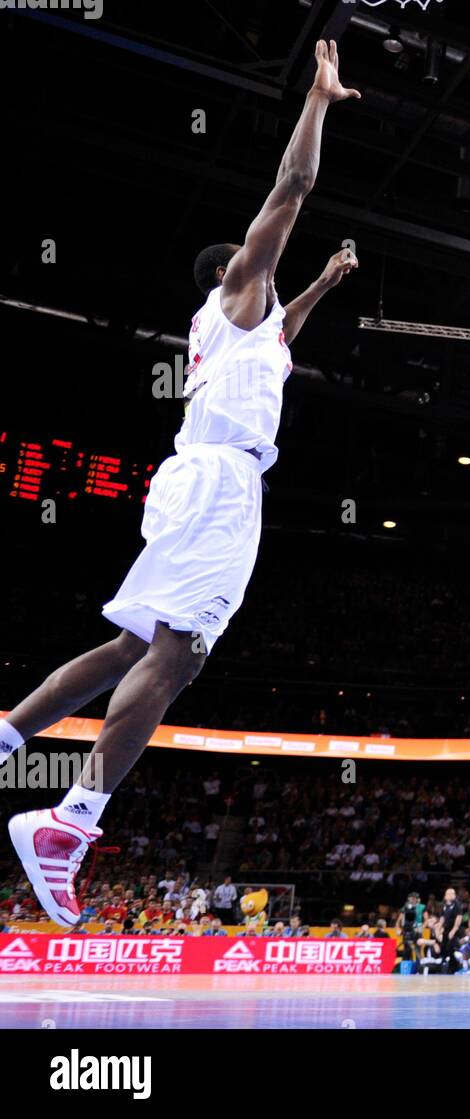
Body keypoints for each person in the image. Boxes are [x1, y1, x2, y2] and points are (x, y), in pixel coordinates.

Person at [2, 41, 361, 926]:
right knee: (178, 655)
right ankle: (68, 820)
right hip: (221, 486)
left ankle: (7, 735)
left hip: (192, 476)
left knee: (130, 647)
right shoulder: (239, 288)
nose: (268, 264)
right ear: (232, 268)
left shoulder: (247, 330)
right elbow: (292, 190)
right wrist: (315, 103)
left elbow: (286, 331)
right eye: (260, 261)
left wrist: (325, 279)